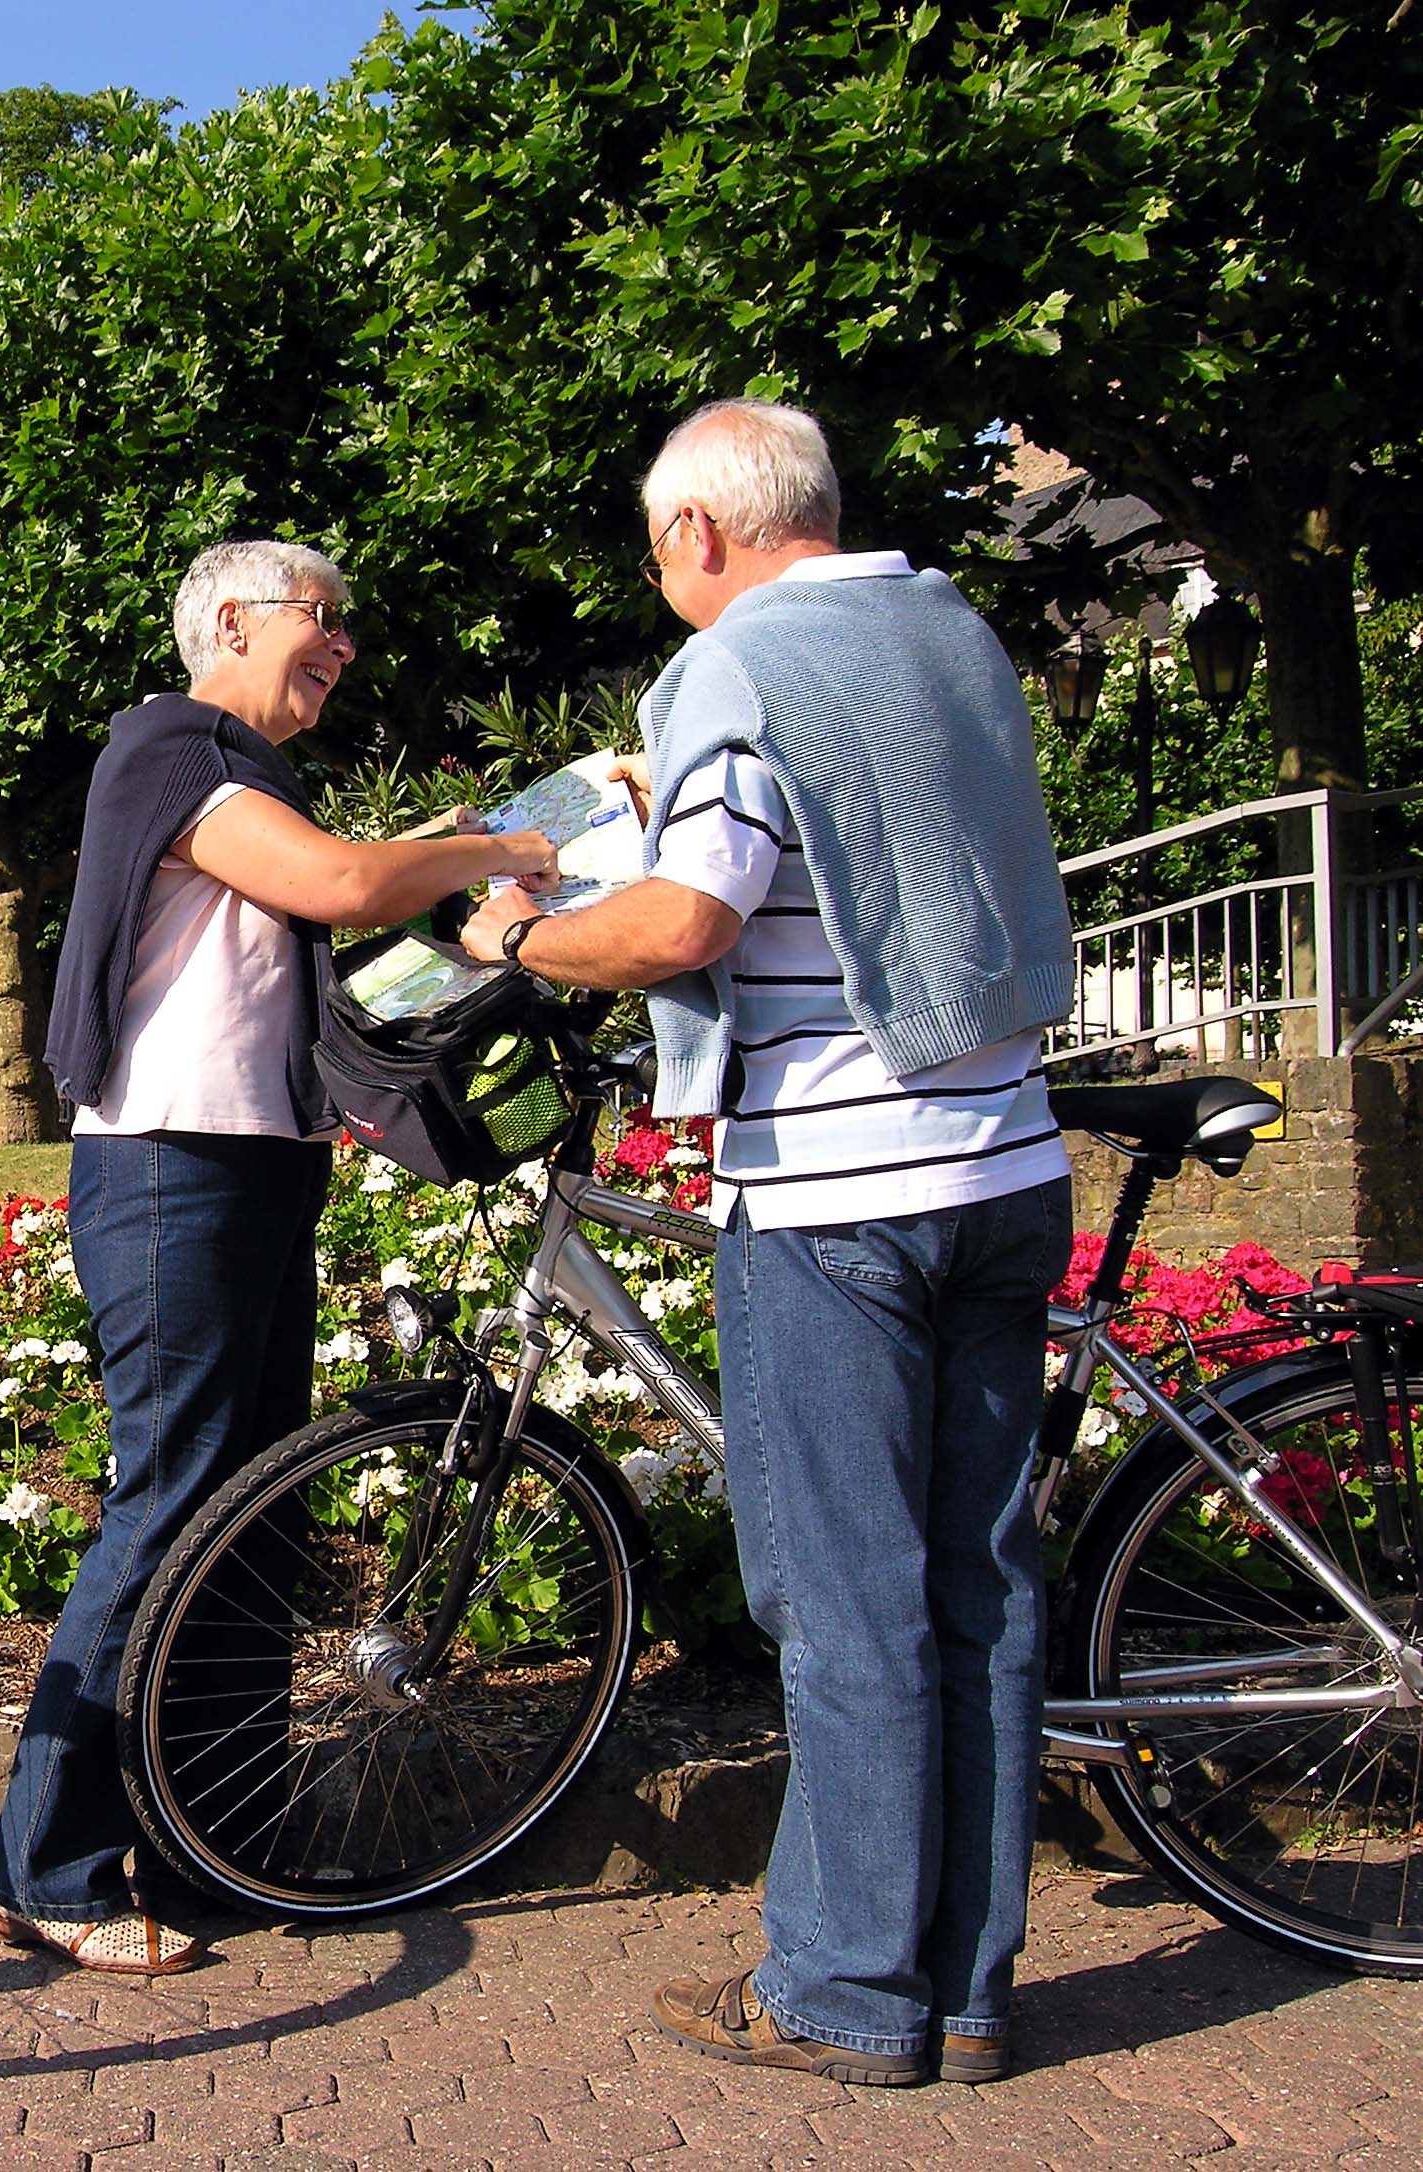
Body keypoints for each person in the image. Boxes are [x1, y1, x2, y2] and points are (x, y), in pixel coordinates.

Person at [461, 400, 1075, 2084]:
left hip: (836, 1197)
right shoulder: (948, 630)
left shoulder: (738, 660)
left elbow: (686, 920)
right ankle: (964, 1989)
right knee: (981, 1585)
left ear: (700, 536)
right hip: (1004, 1165)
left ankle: (844, 1994)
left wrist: (529, 933)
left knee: (848, 1595)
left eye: (658, 546)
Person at [0, 538, 558, 1974]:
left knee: (248, 1519)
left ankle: (219, 1841)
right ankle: (41, 1867)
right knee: (172, 1508)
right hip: (173, 1176)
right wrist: (500, 847)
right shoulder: (171, 752)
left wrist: (459, 844)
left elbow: (343, 882)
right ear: (230, 620)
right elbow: (344, 886)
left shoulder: (243, 772)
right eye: (326, 622)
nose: (344, 649)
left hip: (244, 1172)